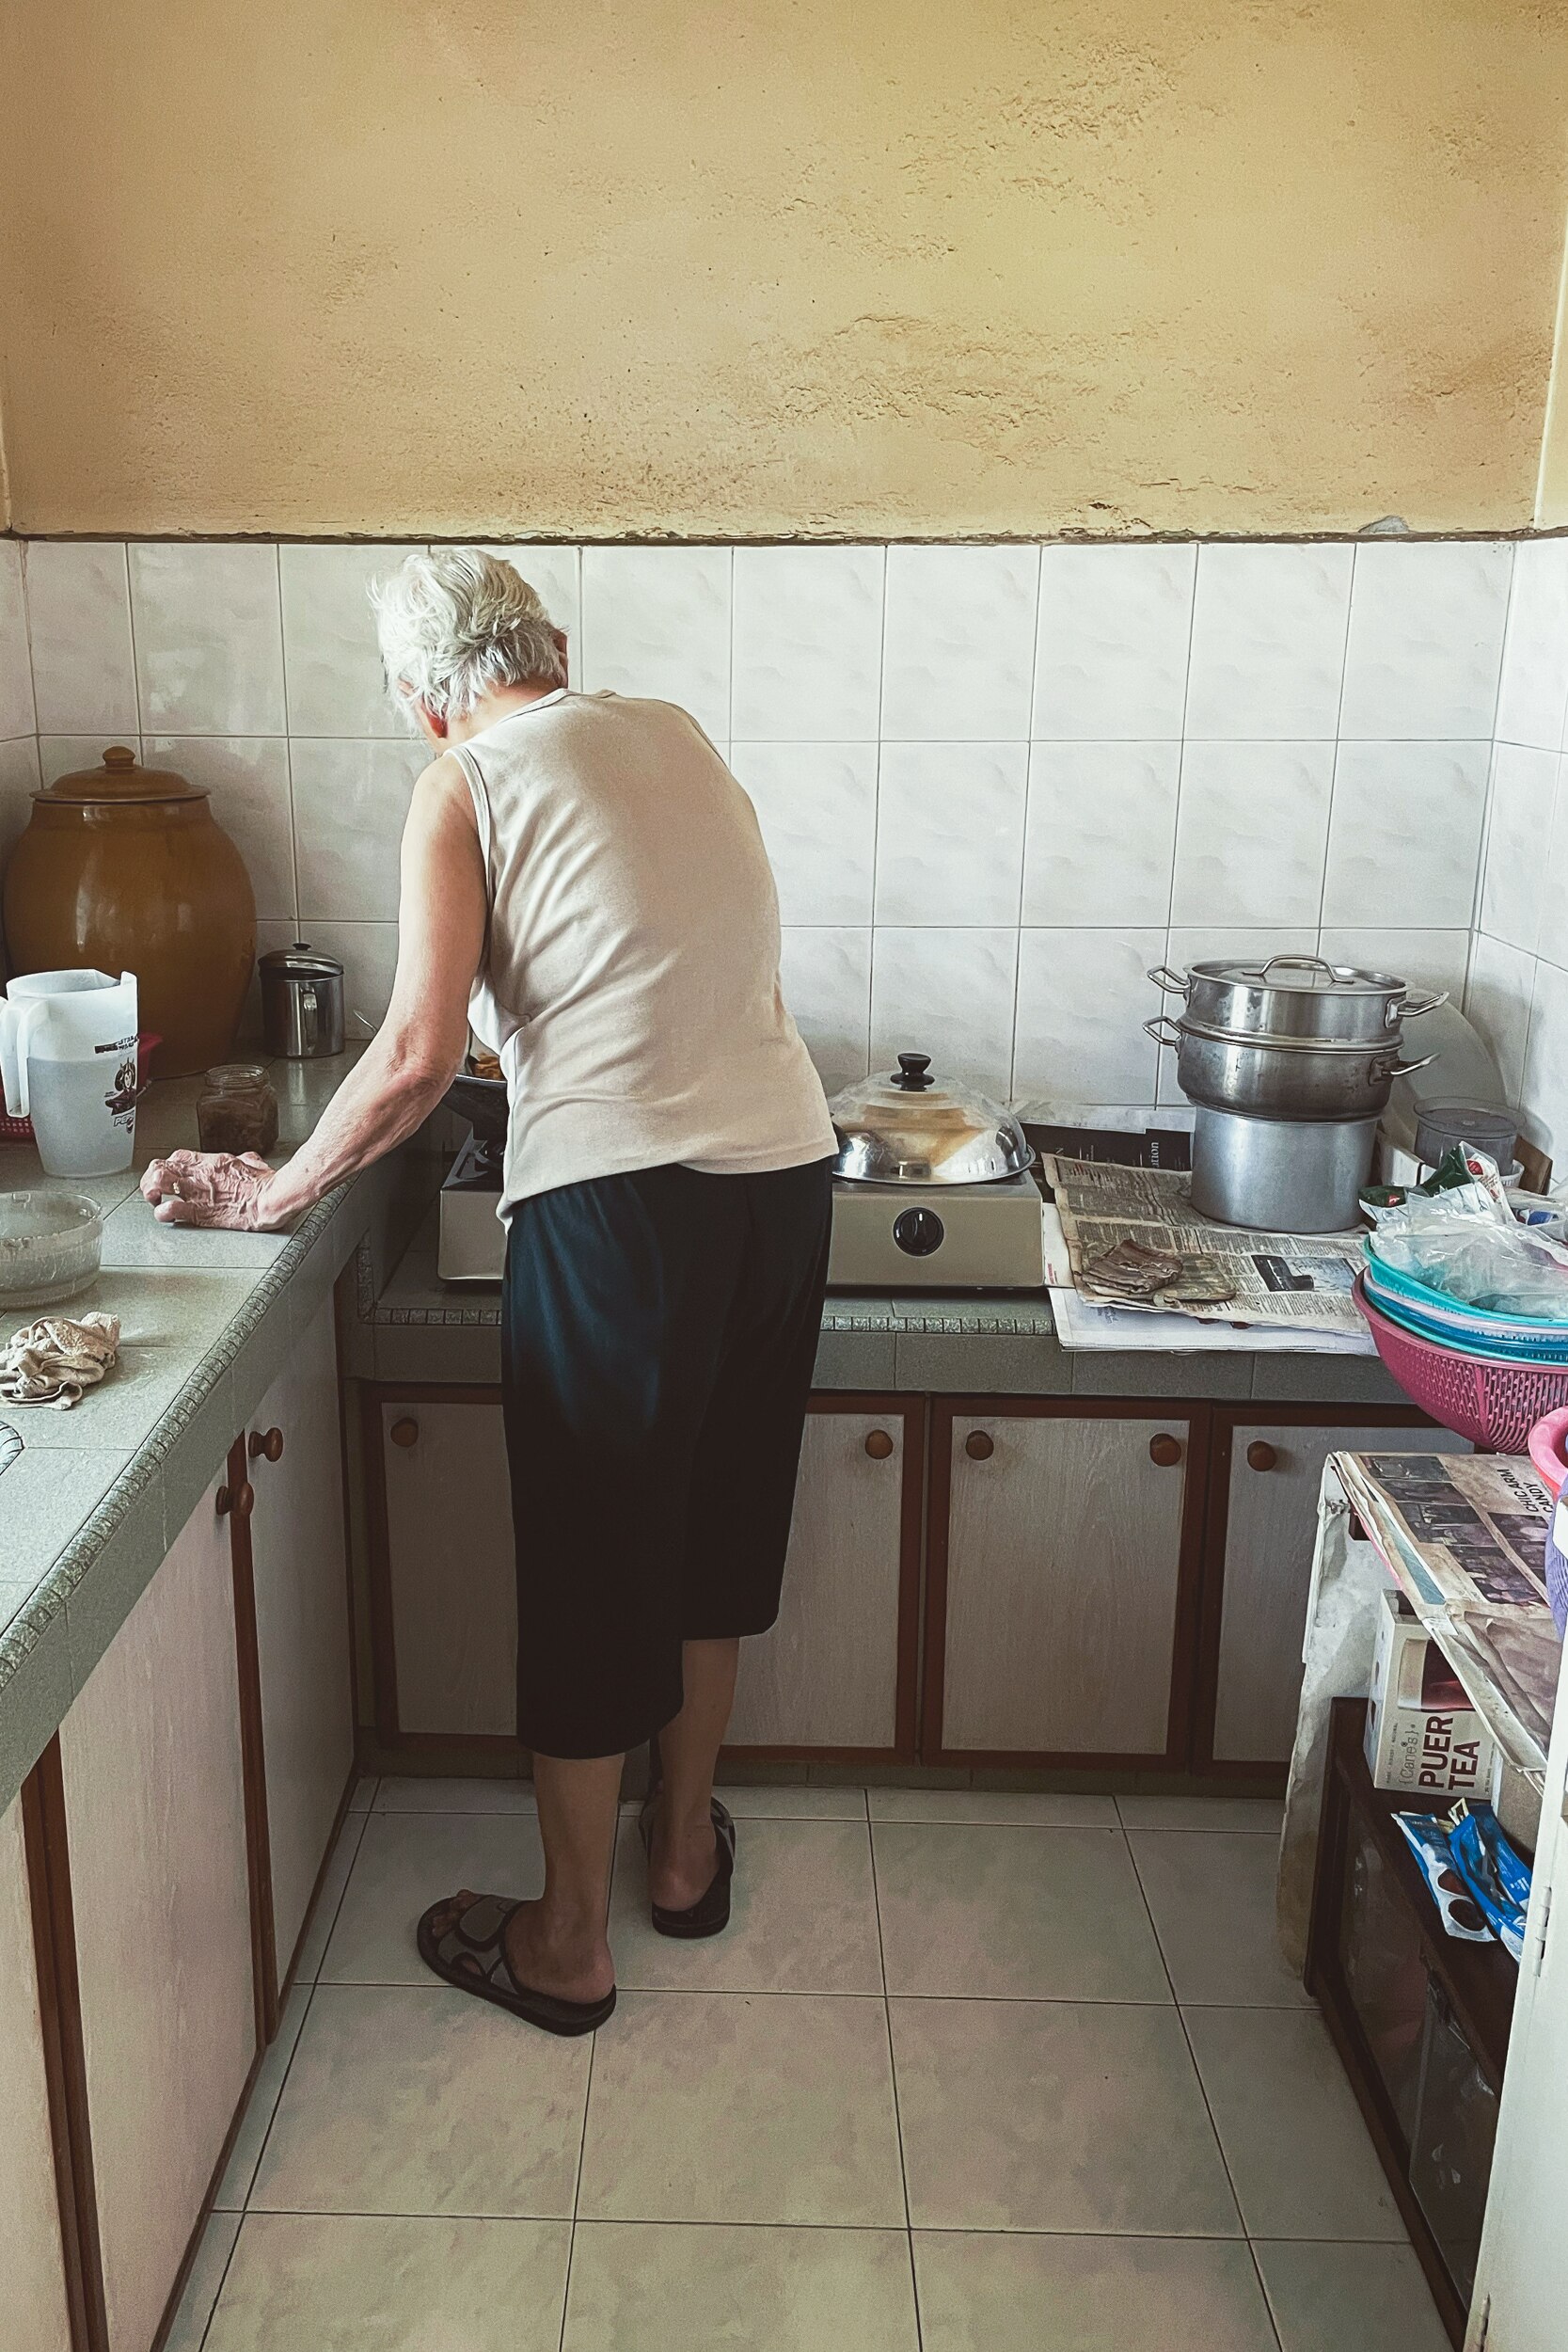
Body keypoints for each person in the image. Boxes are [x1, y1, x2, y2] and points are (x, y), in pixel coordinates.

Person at [142, 548, 837, 2034]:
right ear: (557, 645)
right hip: (784, 1183)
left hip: (624, 1214)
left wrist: (271, 1190)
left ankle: (567, 1943)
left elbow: (412, 1052)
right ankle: (684, 1855)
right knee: (713, 1537)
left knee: (595, 1572)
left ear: (421, 705)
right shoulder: (670, 730)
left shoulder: (460, 785)